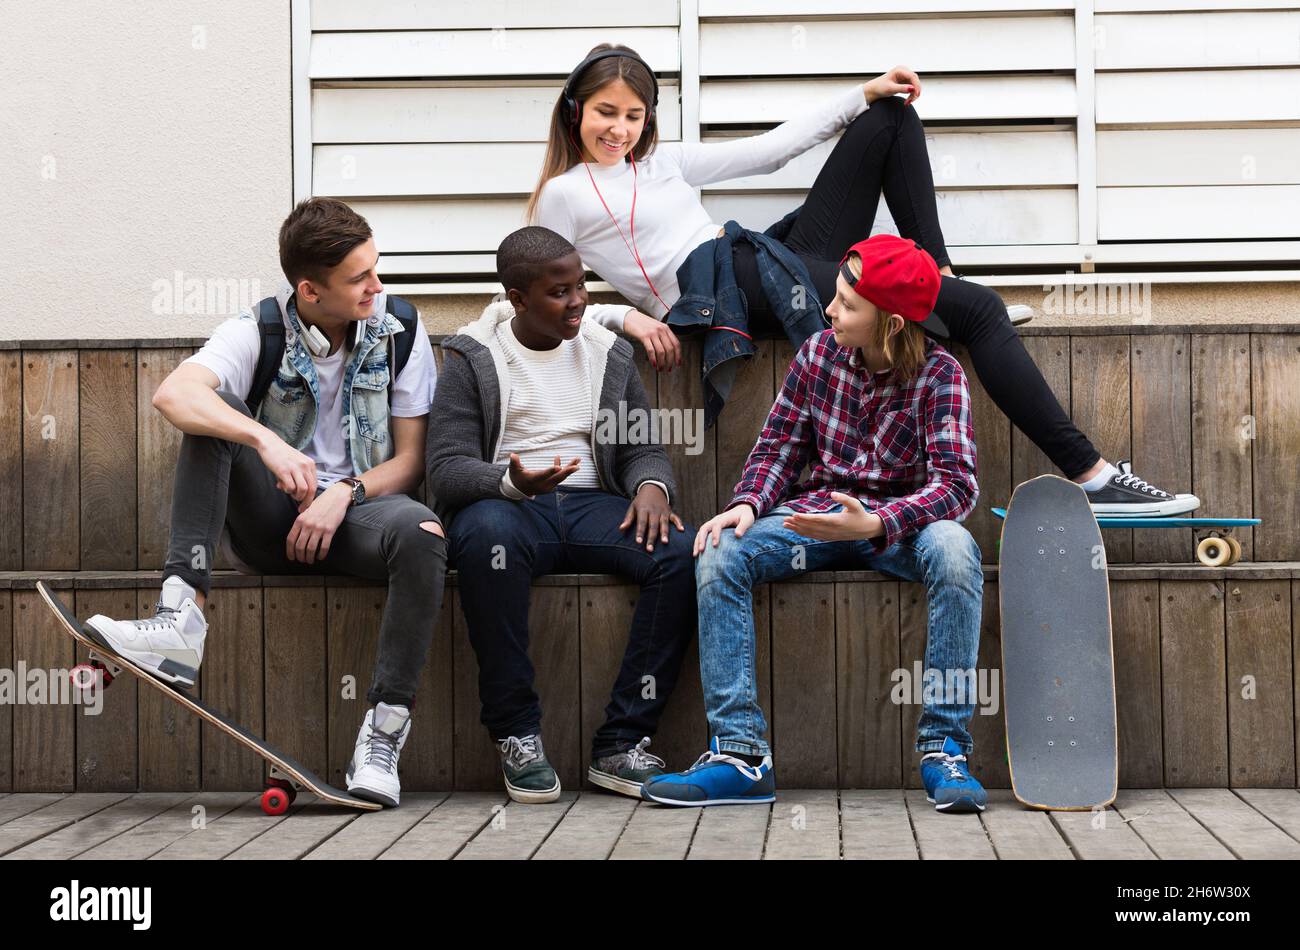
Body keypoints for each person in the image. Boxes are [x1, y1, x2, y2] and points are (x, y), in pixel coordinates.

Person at [528, 43, 1197, 516]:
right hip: (727, 288)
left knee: (888, 118)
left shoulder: (663, 162)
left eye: (633, 115)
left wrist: (862, 93)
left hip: (762, 257)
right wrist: (628, 316)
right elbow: (534, 301)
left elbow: (769, 152)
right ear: (574, 111)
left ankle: (936, 277)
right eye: (605, 112)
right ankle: (1093, 475)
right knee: (981, 313)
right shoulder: (563, 194)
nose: (619, 128)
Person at [85, 198, 446, 808]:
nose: (376, 287)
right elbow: (173, 394)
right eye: (359, 278)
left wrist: (345, 492)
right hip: (272, 523)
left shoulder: (400, 329)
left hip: (363, 522)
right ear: (309, 290)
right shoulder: (259, 329)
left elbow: (411, 462)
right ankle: (179, 624)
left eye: (375, 269)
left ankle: (383, 736)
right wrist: (265, 439)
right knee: (211, 419)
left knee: (426, 530)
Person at [642, 236, 988, 812]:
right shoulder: (819, 354)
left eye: (849, 305)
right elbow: (778, 446)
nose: (830, 311)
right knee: (720, 548)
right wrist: (748, 505)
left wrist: (876, 522)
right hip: (818, 520)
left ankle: (944, 748)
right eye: (836, 297)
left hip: (903, 530)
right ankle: (740, 756)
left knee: (957, 549)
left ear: (894, 324)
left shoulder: (940, 375)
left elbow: (956, 486)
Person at [426, 226, 696, 803]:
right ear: (518, 299)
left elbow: (641, 445)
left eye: (581, 287)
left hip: (593, 503)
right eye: (559, 292)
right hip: (508, 508)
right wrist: (508, 481)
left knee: (679, 551)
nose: (577, 302)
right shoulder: (472, 357)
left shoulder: (608, 352)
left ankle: (622, 745)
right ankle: (517, 734)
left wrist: (652, 486)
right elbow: (446, 468)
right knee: (486, 541)